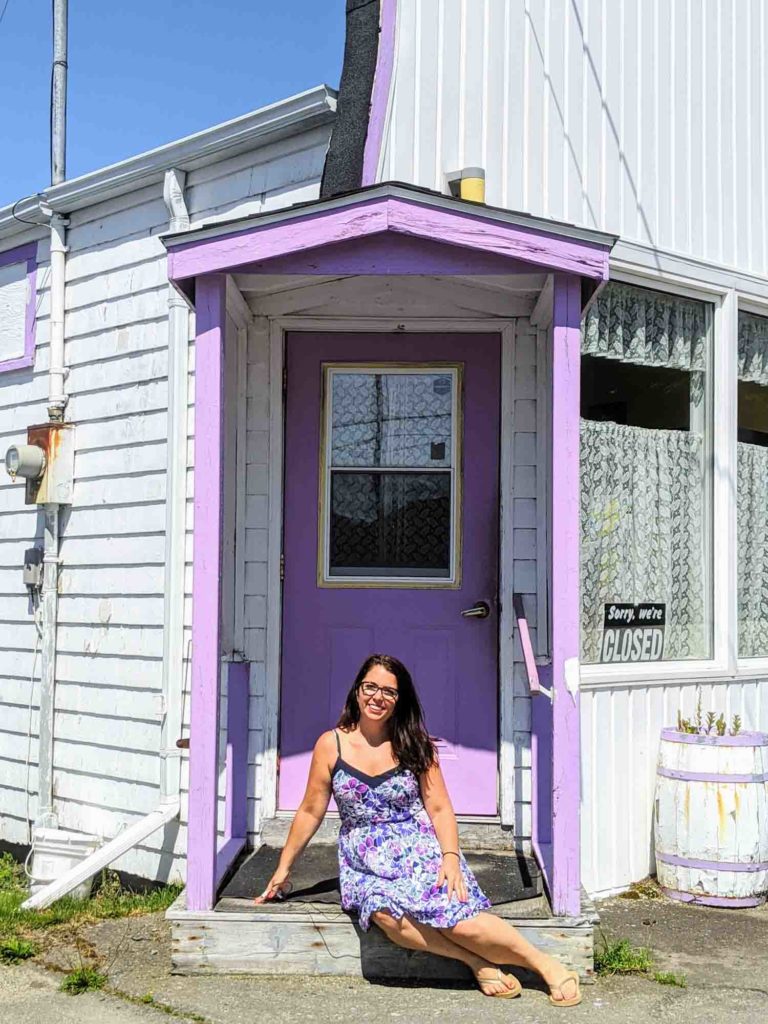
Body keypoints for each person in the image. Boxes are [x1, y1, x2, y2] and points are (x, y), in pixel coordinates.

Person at [255, 653, 581, 1006]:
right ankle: (474, 961)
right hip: (364, 860)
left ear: (399, 701)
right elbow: (310, 810)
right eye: (370, 687)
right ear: (356, 691)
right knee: (386, 914)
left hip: (416, 849)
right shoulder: (330, 745)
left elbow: (440, 809)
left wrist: (451, 858)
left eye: (389, 692)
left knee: (459, 921)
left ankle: (545, 965)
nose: (377, 697)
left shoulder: (415, 744)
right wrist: (283, 870)